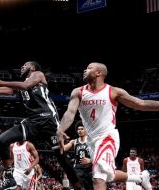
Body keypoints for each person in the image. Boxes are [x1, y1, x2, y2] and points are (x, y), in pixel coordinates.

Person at [0, 61, 81, 190]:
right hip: (32, 122)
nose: (22, 67)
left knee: (64, 161)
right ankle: (9, 178)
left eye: (25, 65)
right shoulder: (20, 85)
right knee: (2, 140)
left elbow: (25, 85)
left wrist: (0, 81)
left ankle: (78, 188)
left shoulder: (38, 75)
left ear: (33, 68)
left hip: (49, 121)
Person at [56, 62, 154, 190]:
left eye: (89, 68)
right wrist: (60, 129)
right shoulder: (78, 92)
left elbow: (140, 104)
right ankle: (140, 178)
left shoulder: (113, 91)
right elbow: (70, 113)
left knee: (98, 178)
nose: (85, 70)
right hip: (91, 140)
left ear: (98, 73)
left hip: (107, 137)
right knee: (108, 175)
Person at [64, 121, 93, 190]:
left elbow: (98, 155)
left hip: (89, 170)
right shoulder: (74, 141)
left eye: (81, 129)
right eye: (78, 129)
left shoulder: (91, 141)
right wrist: (57, 141)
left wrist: (91, 160)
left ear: (86, 130)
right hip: (78, 169)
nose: (79, 131)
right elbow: (64, 148)